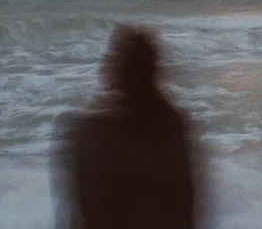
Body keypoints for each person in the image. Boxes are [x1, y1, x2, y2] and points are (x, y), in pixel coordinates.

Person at [50, 24, 205, 229]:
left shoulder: (92, 133)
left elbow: (78, 214)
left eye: (113, 61)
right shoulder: (171, 125)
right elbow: (187, 206)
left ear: (118, 72)